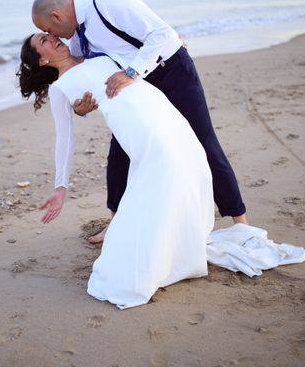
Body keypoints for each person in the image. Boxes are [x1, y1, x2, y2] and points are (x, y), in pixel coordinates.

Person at [31, 0, 247, 243]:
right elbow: (84, 78)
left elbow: (162, 34)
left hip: (172, 73)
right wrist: (81, 109)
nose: (53, 36)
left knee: (204, 142)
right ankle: (116, 222)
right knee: (119, 156)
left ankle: (239, 221)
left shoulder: (109, 2)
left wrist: (131, 72)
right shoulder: (78, 39)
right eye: (47, 36)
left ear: (56, 16)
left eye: (49, 30)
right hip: (138, 92)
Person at [17, 32, 215, 309]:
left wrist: (169, 40)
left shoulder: (89, 51)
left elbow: (132, 43)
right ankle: (151, 259)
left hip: (156, 106)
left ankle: (179, 247)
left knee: (191, 159)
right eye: (44, 42)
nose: (52, 38)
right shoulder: (60, 89)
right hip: (135, 124)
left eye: (49, 34)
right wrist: (60, 188)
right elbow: (64, 138)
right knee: (161, 170)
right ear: (42, 59)